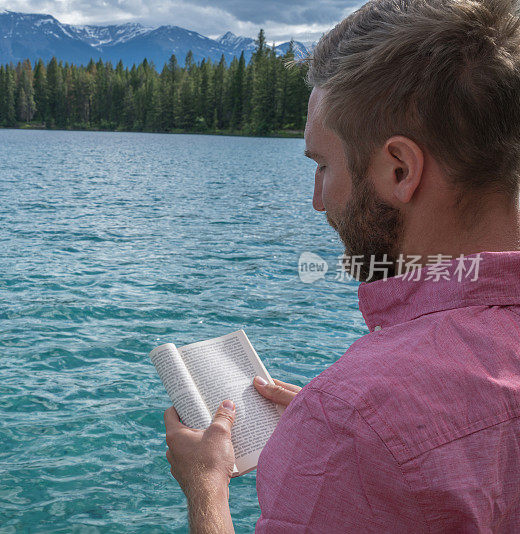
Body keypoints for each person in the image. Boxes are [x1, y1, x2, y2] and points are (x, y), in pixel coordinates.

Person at [163, 0, 520, 531]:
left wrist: (206, 492)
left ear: (400, 170)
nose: (317, 201)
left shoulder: (350, 424)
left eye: (324, 165)